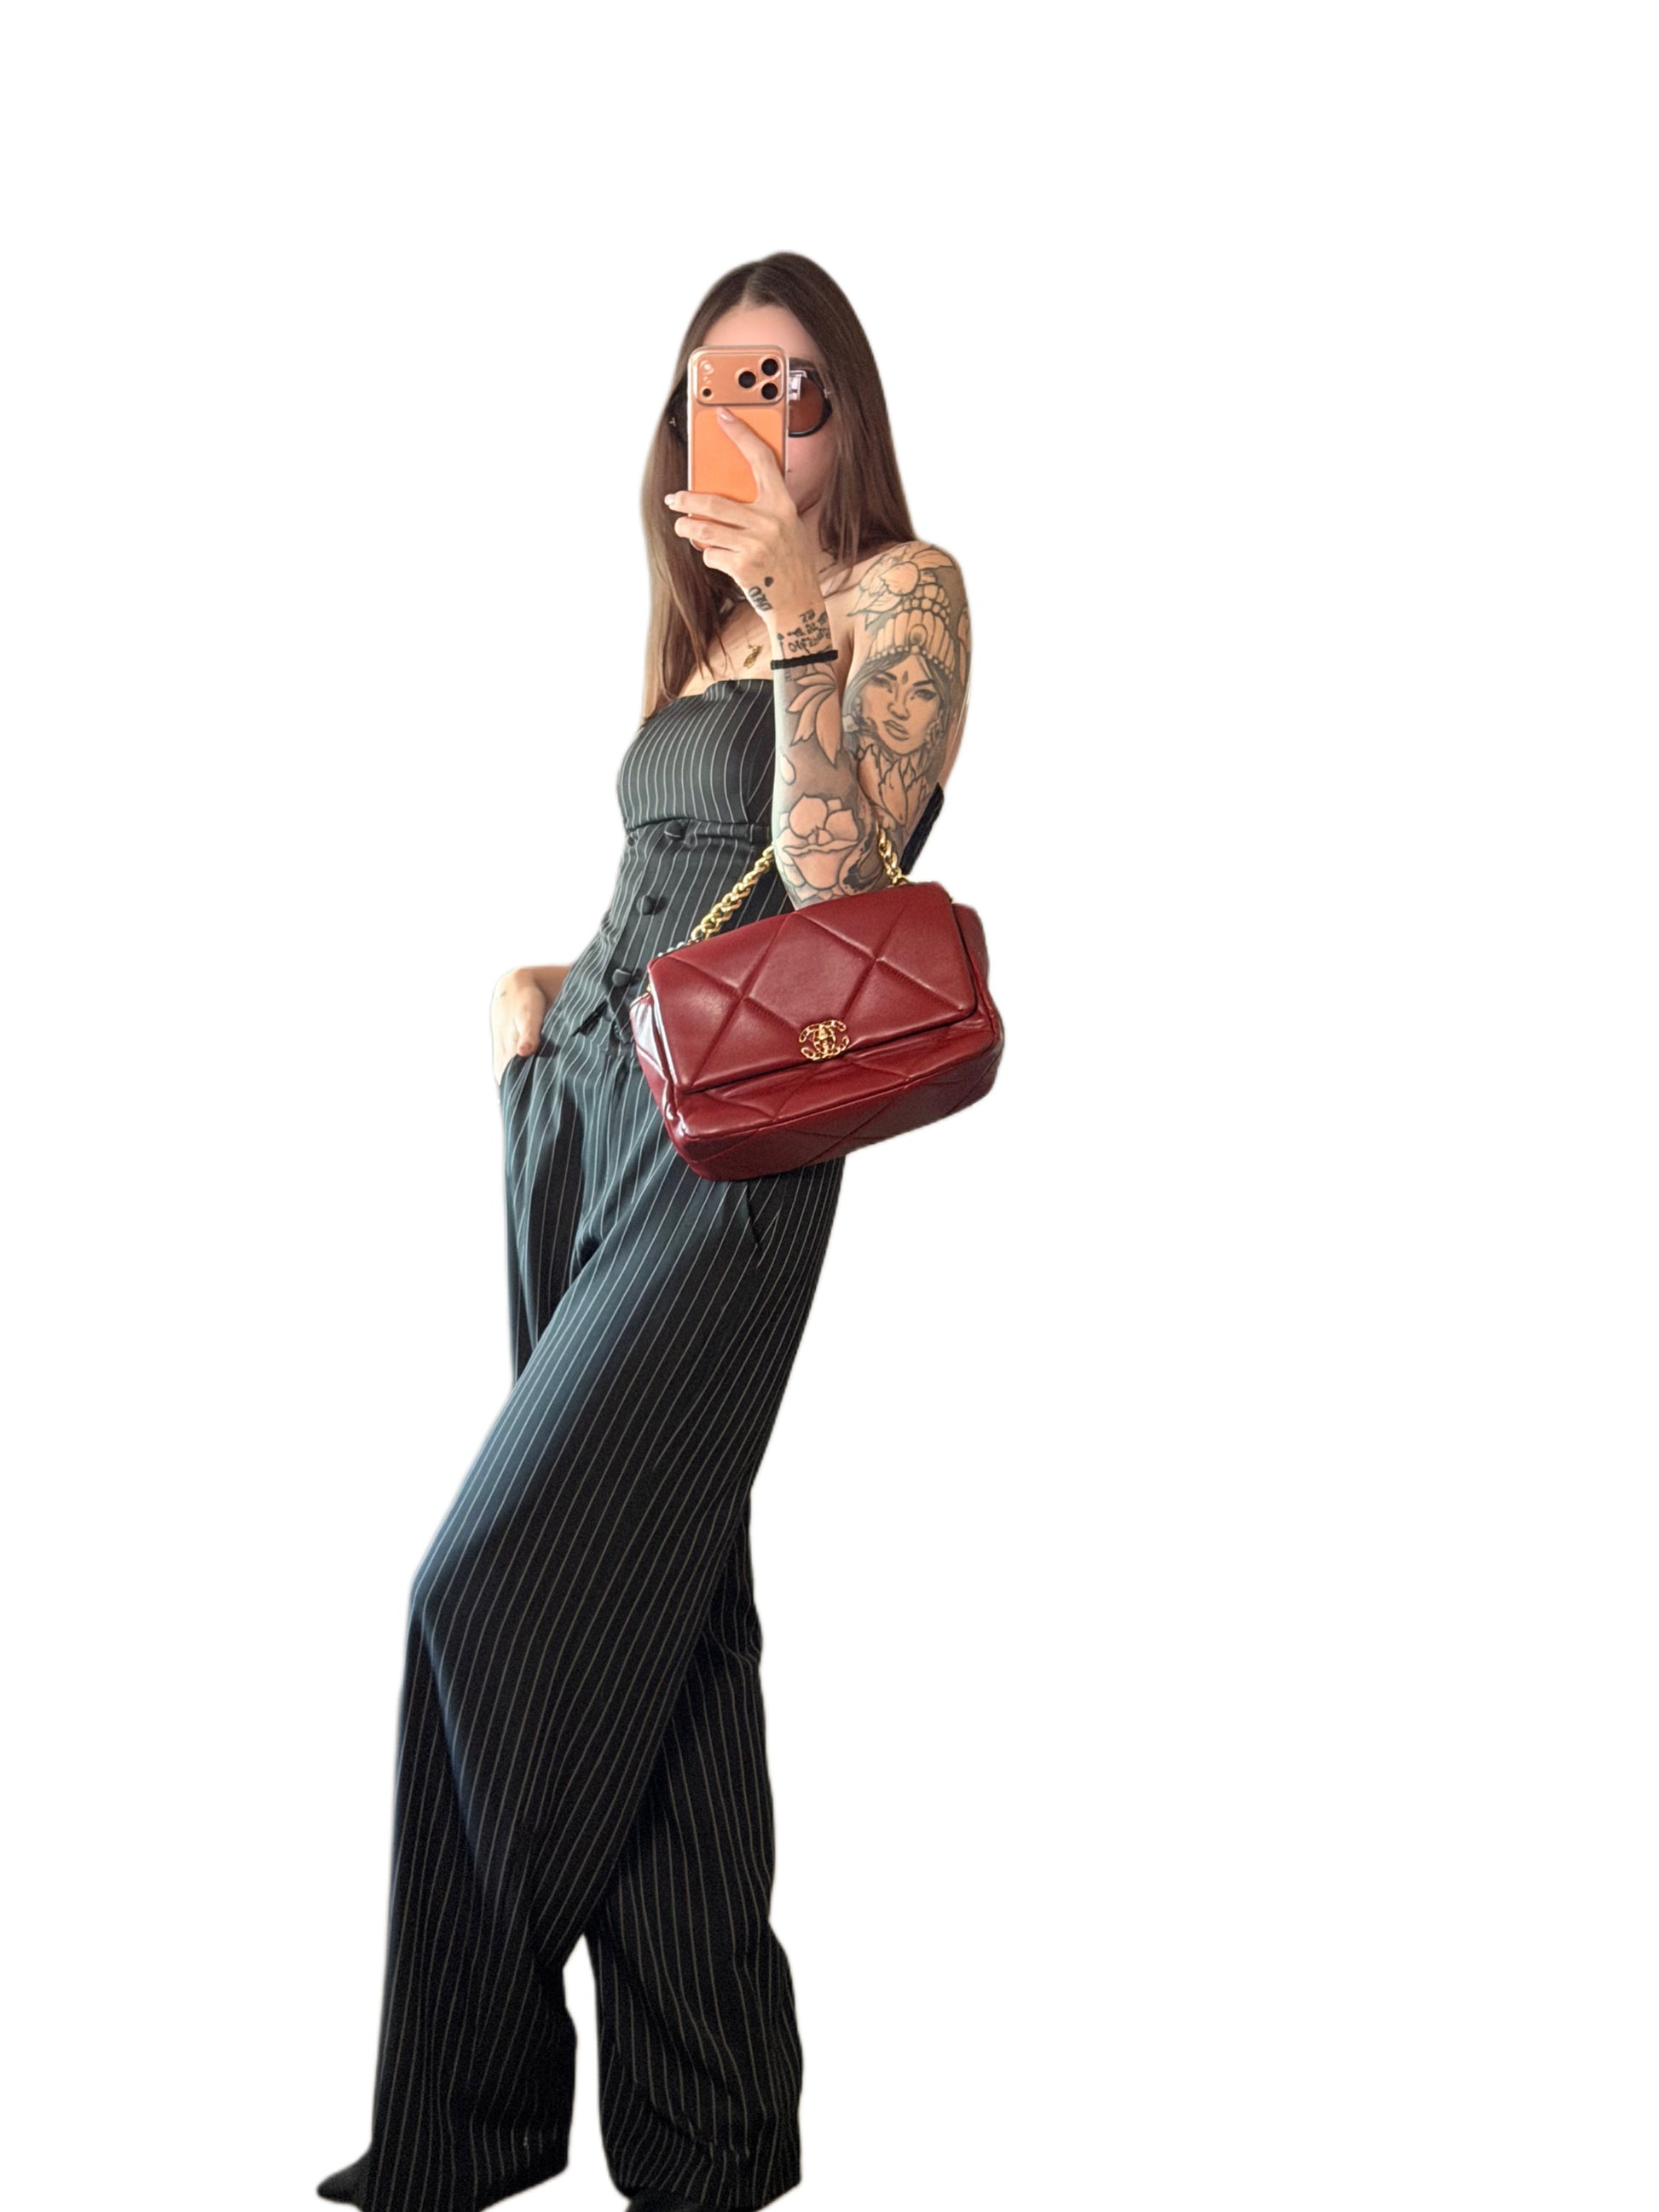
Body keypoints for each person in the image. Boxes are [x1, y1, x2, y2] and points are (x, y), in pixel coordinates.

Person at [317, 251, 973, 2212]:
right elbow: (677, 879)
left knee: (483, 1585)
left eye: (786, 376)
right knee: (660, 1616)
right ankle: (708, 2139)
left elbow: (840, 894)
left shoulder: (896, 592)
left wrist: (800, 605)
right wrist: (545, 993)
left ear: (846, 407)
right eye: (712, 380)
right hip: (584, 1103)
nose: (748, 408)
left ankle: (458, 2126)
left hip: (738, 1137)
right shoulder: (695, 632)